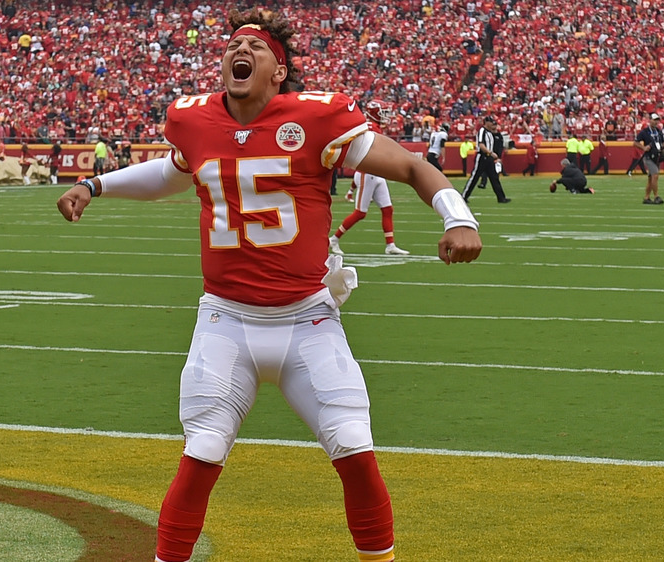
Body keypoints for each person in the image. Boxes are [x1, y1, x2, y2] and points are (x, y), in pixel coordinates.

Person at [56, 9, 482, 562]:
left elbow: (409, 166)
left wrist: (460, 218)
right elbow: (171, 173)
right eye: (233, 44)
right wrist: (95, 184)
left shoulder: (316, 117)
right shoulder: (194, 119)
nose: (240, 51)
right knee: (203, 450)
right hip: (225, 320)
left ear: (277, 71)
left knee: (354, 447)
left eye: (254, 48)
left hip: (307, 317)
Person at [328, 99, 410, 256]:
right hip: (368, 174)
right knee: (360, 213)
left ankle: (390, 245)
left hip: (376, 174)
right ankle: (334, 239)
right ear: (374, 112)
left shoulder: (374, 126)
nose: (385, 116)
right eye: (383, 112)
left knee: (387, 209)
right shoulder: (370, 127)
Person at [462, 115, 510, 203]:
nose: (492, 124)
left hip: (488, 158)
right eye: (491, 122)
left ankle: (501, 198)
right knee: (475, 177)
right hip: (482, 157)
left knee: (494, 177)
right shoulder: (482, 131)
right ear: (487, 122)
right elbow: (481, 144)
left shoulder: (489, 133)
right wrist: (490, 153)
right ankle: (464, 196)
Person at [633, 113, 664, 204]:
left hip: (657, 157)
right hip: (648, 157)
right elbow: (635, 142)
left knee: (651, 178)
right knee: (655, 175)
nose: (656, 122)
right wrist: (644, 148)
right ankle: (656, 196)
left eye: (657, 120)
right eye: (654, 120)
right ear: (650, 120)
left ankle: (646, 197)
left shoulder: (658, 131)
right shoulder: (644, 132)